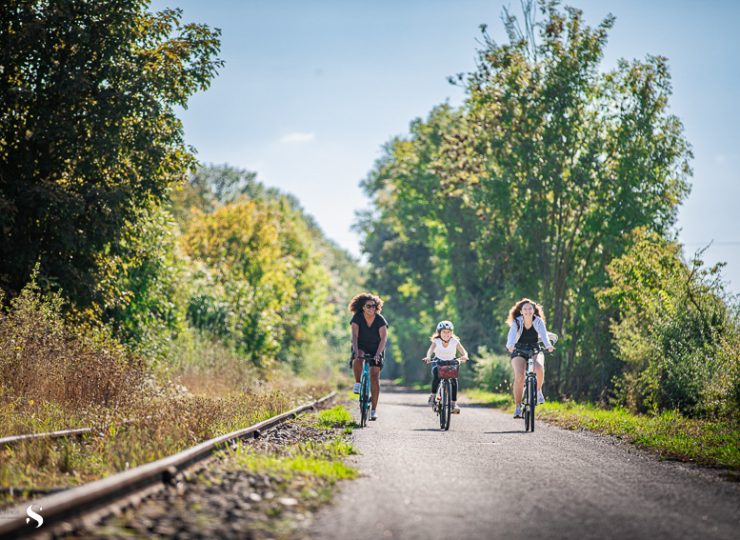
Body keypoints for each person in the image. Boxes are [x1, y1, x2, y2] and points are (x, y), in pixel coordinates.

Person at [505, 298, 555, 419]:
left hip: (534, 348)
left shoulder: (538, 321)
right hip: (519, 350)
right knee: (520, 376)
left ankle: (538, 391)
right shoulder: (517, 322)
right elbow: (511, 335)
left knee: (539, 367)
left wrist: (548, 346)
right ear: (521, 311)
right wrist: (510, 345)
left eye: (530, 308)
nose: (528, 310)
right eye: (525, 309)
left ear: (534, 310)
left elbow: (544, 335)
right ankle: (517, 407)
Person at [349, 292, 388, 421]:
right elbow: (354, 336)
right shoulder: (357, 318)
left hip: (376, 347)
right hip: (361, 345)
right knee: (358, 357)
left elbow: (383, 339)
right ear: (363, 307)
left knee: (375, 376)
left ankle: (373, 410)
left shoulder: (380, 319)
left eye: (374, 306)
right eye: (369, 306)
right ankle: (358, 383)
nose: (372, 308)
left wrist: (377, 354)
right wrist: (355, 351)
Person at [422, 320, 469, 414]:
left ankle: (453, 404)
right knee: (436, 376)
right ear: (439, 332)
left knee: (454, 380)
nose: (446, 334)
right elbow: (430, 350)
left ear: (452, 333)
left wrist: (464, 356)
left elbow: (464, 351)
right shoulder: (436, 341)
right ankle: (433, 395)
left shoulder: (454, 341)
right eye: (444, 332)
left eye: (448, 332)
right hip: (438, 361)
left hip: (451, 362)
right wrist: (428, 357)